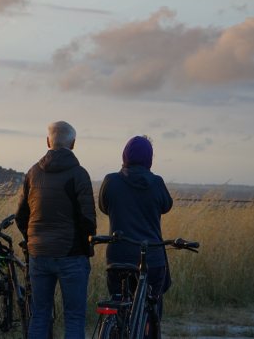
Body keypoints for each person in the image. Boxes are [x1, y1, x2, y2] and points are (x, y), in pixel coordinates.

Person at [15, 121, 96, 339]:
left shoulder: (33, 173)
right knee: (74, 317)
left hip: (39, 255)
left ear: (47, 141)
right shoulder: (79, 174)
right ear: (73, 144)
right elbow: (88, 220)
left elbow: (21, 216)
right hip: (72, 255)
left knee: (40, 316)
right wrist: (85, 247)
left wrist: (32, 240)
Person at [98, 135, 173, 338]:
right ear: (149, 159)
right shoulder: (157, 183)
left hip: (118, 256)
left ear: (125, 155)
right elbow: (167, 205)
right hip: (152, 258)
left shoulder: (110, 181)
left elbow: (104, 207)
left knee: (118, 304)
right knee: (151, 307)